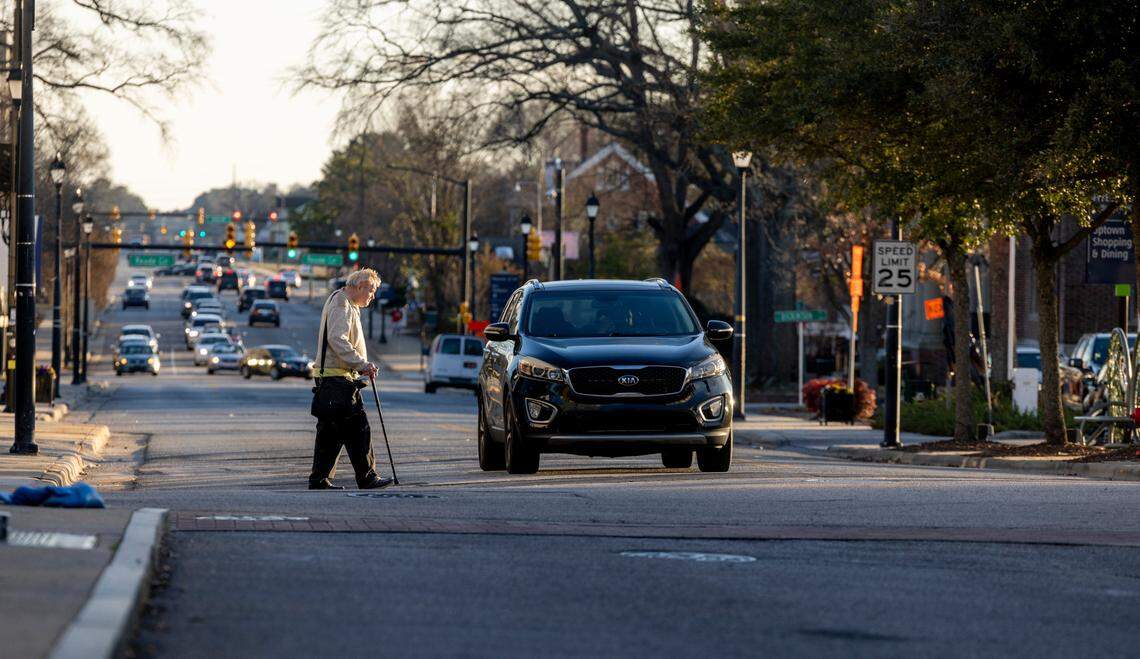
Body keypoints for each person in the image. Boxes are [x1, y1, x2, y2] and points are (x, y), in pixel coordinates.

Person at [309, 268, 393, 490]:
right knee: (359, 429)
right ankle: (367, 477)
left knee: (331, 433)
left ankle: (319, 479)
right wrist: (362, 364)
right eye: (371, 291)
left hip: (333, 381)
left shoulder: (346, 303)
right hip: (338, 381)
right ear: (359, 286)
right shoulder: (342, 304)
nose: (372, 296)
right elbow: (338, 339)